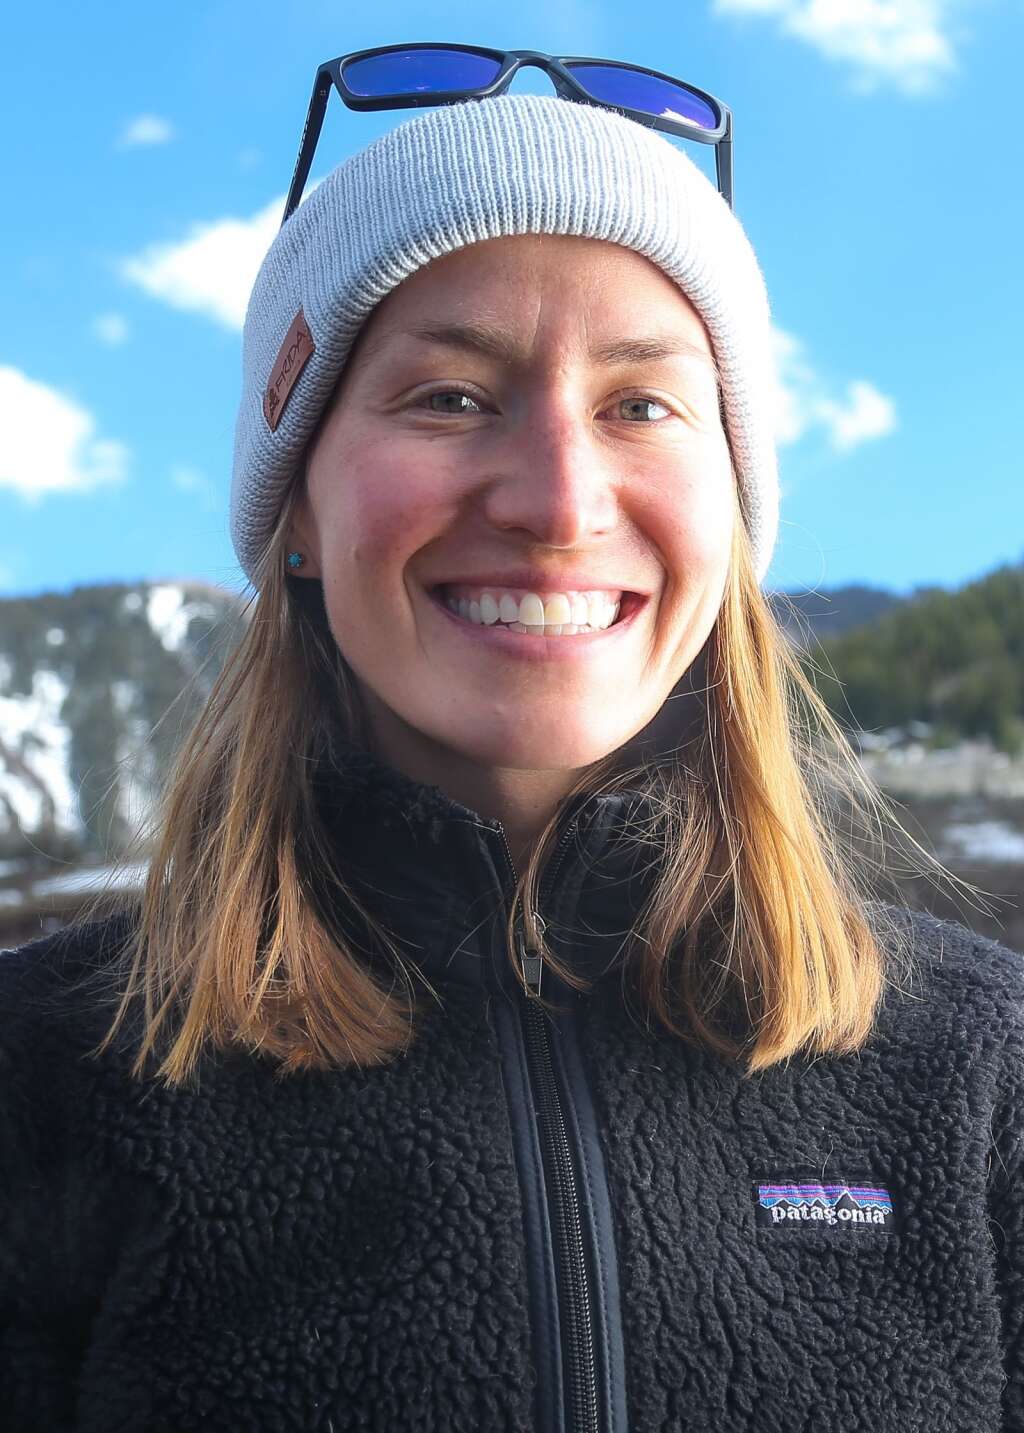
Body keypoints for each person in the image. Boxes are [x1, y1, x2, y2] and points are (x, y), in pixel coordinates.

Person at [1, 60, 1022, 1433]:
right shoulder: (43, 1078)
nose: (556, 500)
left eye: (641, 405)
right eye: (448, 397)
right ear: (296, 501)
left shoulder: (979, 1072)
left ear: (730, 502)